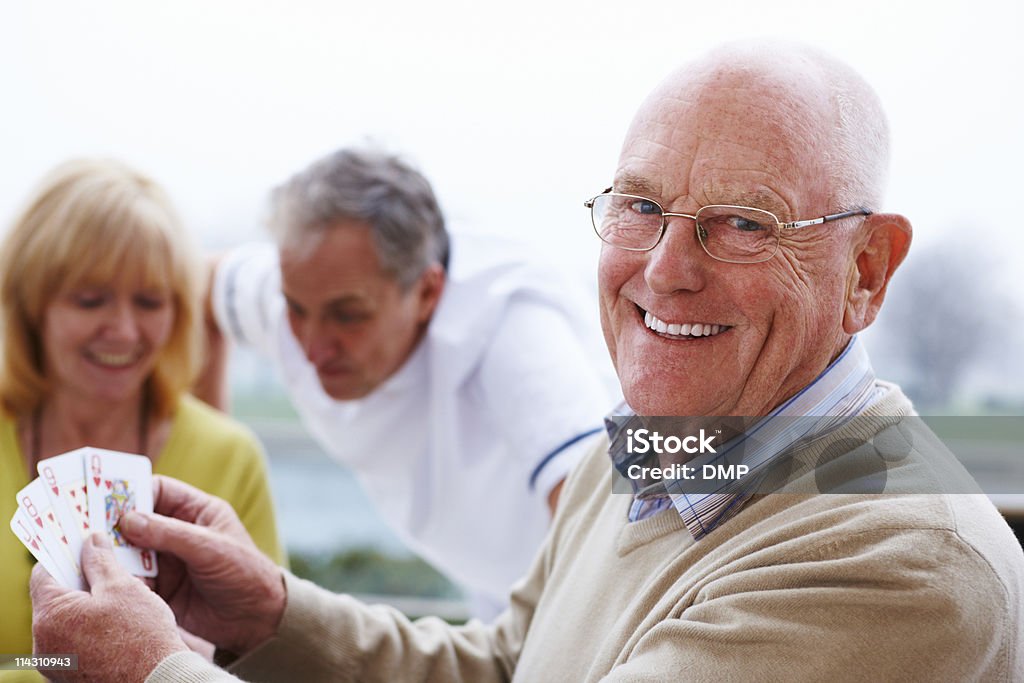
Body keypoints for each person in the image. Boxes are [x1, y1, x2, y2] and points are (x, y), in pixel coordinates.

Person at [29, 43, 1024, 682]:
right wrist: (274, 608)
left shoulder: (897, 562)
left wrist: (160, 668)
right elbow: (509, 663)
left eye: (743, 222)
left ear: (865, 267)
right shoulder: (653, 444)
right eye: (639, 205)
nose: (666, 271)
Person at [200, 147, 615, 616]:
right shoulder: (307, 281)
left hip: (589, 588)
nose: (311, 347)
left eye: (348, 316)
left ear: (426, 292)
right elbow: (200, 284)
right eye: (296, 309)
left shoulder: (513, 333)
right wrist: (213, 470)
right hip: (496, 581)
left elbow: (596, 504)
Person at [0, 159, 285, 675]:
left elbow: (267, 658)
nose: (124, 331)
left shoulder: (230, 457)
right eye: (91, 301)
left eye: (150, 302)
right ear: (30, 304)